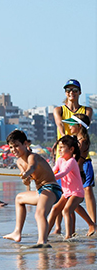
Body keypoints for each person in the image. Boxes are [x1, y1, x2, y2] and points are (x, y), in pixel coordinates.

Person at [3, 130, 62, 248]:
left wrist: (27, 173)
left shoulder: (33, 157)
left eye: (16, 146)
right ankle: (17, 232)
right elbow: (27, 180)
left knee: (39, 214)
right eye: (11, 147)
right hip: (41, 191)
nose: (14, 149)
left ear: (25, 144)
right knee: (19, 198)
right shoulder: (19, 161)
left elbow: (32, 167)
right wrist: (25, 179)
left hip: (51, 189)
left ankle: (42, 241)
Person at [53, 79, 95, 220]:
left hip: (82, 155)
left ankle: (94, 223)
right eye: (68, 90)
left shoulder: (87, 110)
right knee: (63, 193)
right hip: (65, 156)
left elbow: (83, 123)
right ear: (65, 93)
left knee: (87, 189)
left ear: (79, 92)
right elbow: (59, 124)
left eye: (75, 90)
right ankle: (60, 228)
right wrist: (65, 138)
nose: (72, 93)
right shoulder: (59, 110)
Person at [47, 135, 95, 239]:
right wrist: (43, 174)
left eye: (62, 147)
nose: (59, 150)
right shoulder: (60, 160)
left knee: (66, 210)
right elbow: (53, 170)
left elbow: (63, 173)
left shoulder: (72, 161)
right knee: (55, 209)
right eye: (58, 148)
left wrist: (51, 177)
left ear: (71, 149)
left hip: (77, 192)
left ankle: (68, 237)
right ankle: (44, 235)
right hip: (67, 192)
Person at [64, 114, 96, 236]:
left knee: (74, 199)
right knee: (71, 199)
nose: (70, 126)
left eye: (72, 124)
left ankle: (91, 224)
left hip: (81, 169)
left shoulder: (82, 141)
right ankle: (73, 230)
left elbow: (79, 161)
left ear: (78, 126)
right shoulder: (77, 139)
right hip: (77, 169)